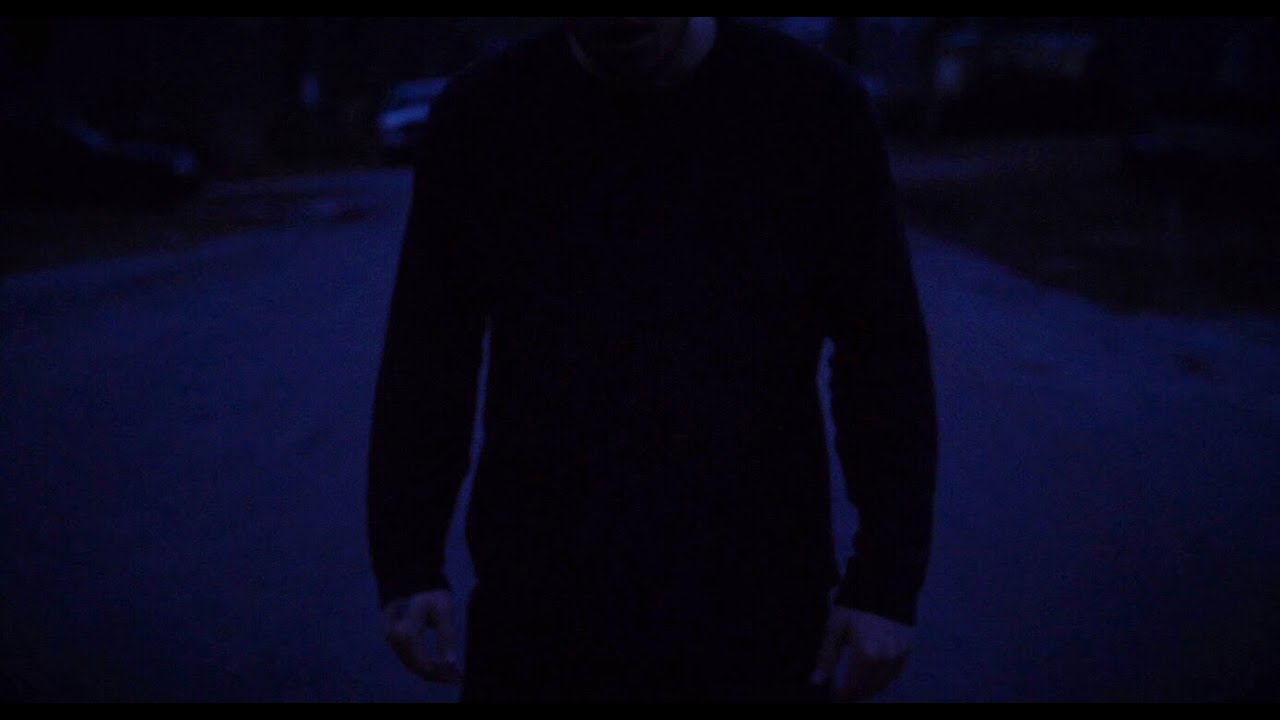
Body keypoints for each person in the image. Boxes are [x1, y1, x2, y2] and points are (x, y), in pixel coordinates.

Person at [367, 16, 938, 703]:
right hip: (543, 606)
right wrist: (408, 562)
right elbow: (430, 353)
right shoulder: (485, 116)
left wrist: (885, 582)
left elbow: (881, 352)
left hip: (756, 603)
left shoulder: (811, 106)